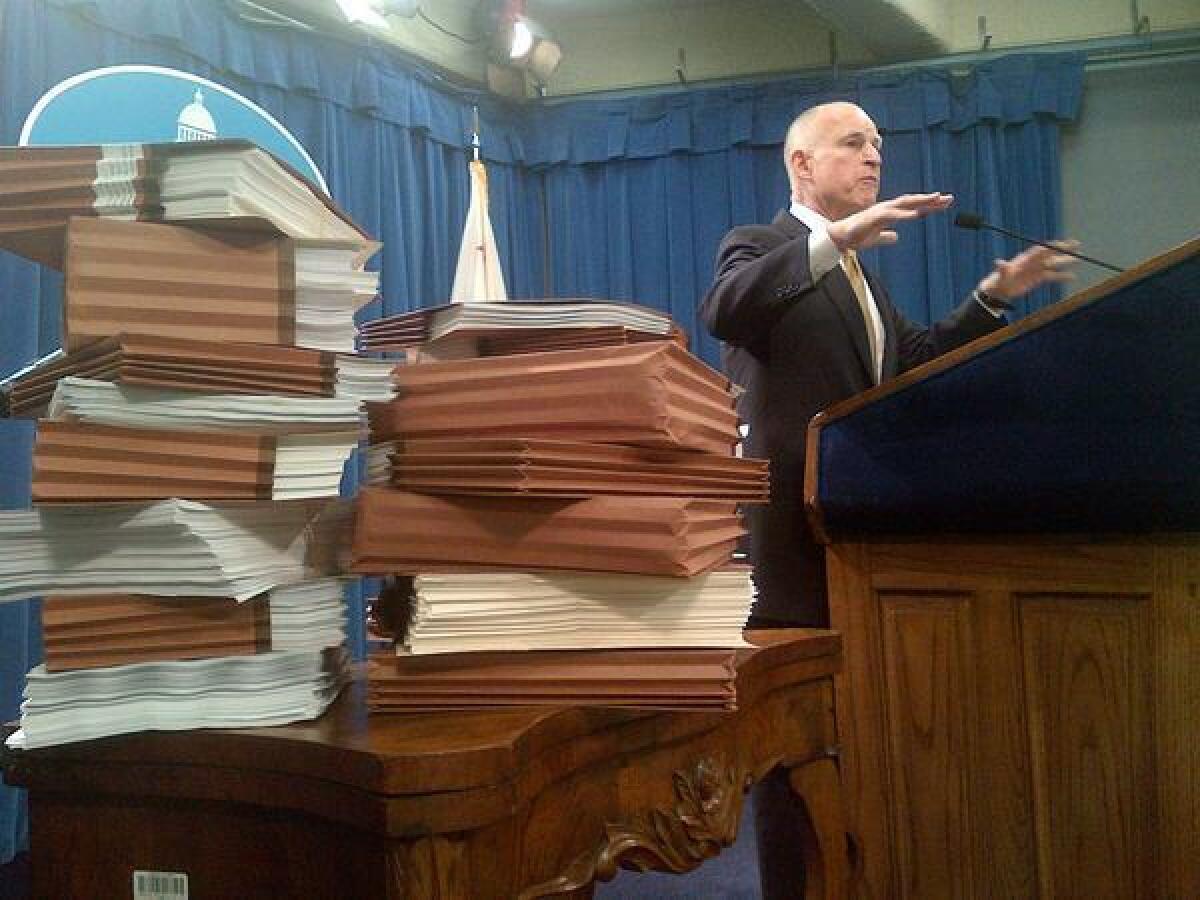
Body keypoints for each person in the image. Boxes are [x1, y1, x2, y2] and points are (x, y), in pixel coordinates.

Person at [701, 100, 1077, 630]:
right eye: (854, 144)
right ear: (803, 165)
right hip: (788, 529)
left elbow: (917, 361)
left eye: (877, 145)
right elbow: (724, 309)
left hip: (856, 520)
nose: (874, 157)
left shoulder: (864, 280)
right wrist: (833, 239)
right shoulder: (760, 245)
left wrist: (991, 298)